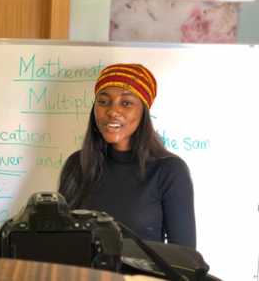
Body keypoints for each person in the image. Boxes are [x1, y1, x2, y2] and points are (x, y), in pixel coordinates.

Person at [59, 64, 196, 249]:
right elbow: (60, 241)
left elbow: (184, 258)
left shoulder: (169, 170)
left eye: (127, 103)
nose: (112, 111)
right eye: (104, 102)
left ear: (144, 112)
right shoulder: (77, 164)